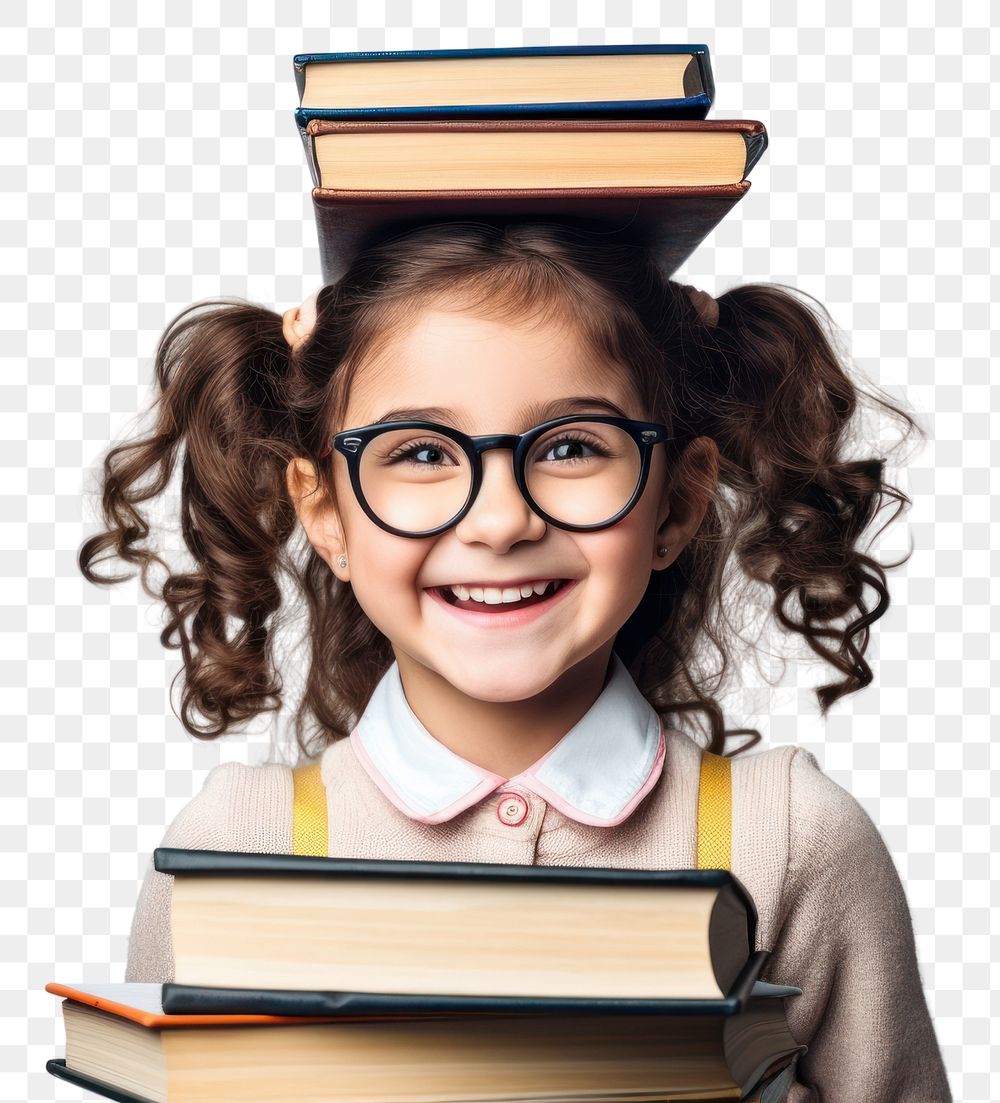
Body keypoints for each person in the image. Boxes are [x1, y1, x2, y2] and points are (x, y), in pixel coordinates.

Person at [78, 220, 951, 1101]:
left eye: (572, 446)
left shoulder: (794, 843)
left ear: (678, 502)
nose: (499, 521)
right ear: (327, 515)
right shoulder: (231, 850)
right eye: (420, 452)